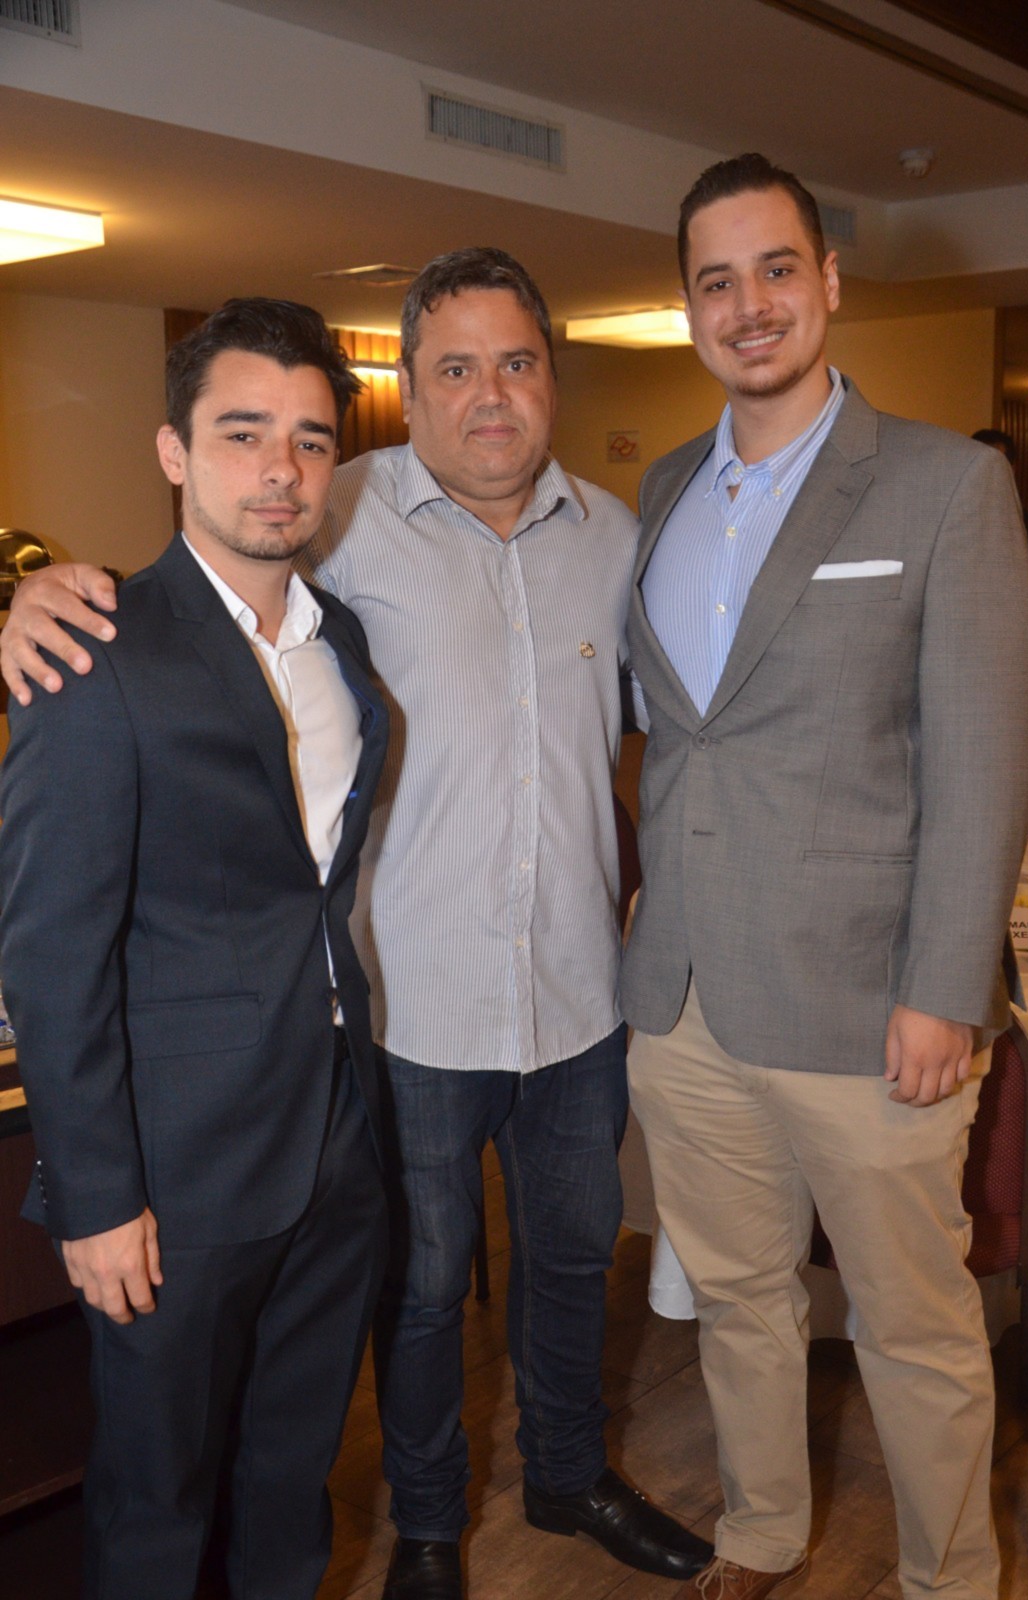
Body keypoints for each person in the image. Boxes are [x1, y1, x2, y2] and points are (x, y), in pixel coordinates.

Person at [0, 249, 712, 1600]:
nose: (281, 470)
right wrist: (29, 594)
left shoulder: (566, 556)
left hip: (471, 1045)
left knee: (332, 1438)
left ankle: (565, 1473)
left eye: (517, 362)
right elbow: (52, 943)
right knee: (247, 1426)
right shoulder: (265, 562)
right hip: (320, 1070)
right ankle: (430, 1524)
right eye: (454, 367)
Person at [621, 155, 1028, 1600]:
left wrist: (945, 990)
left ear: (830, 281)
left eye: (775, 269)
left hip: (872, 1009)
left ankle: (949, 1580)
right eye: (716, 280)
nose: (748, 305)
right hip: (682, 999)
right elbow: (680, 730)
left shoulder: (945, 483)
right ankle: (759, 1532)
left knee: (911, 1326)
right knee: (738, 1298)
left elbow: (987, 751)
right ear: (688, 307)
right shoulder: (664, 488)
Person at [0, 298, 390, 1600]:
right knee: (157, 1504)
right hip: (176, 1176)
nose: (281, 469)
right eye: (241, 433)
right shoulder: (93, 649)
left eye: (310, 440)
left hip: (335, 1138)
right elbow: (51, 955)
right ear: (173, 451)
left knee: (293, 1476)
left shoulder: (342, 646)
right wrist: (97, 1198)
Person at [971, 426, 1028, 619]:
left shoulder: (1026, 522)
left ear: (1012, 468)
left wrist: (1024, 618)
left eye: (996, 464)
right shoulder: (947, 515)